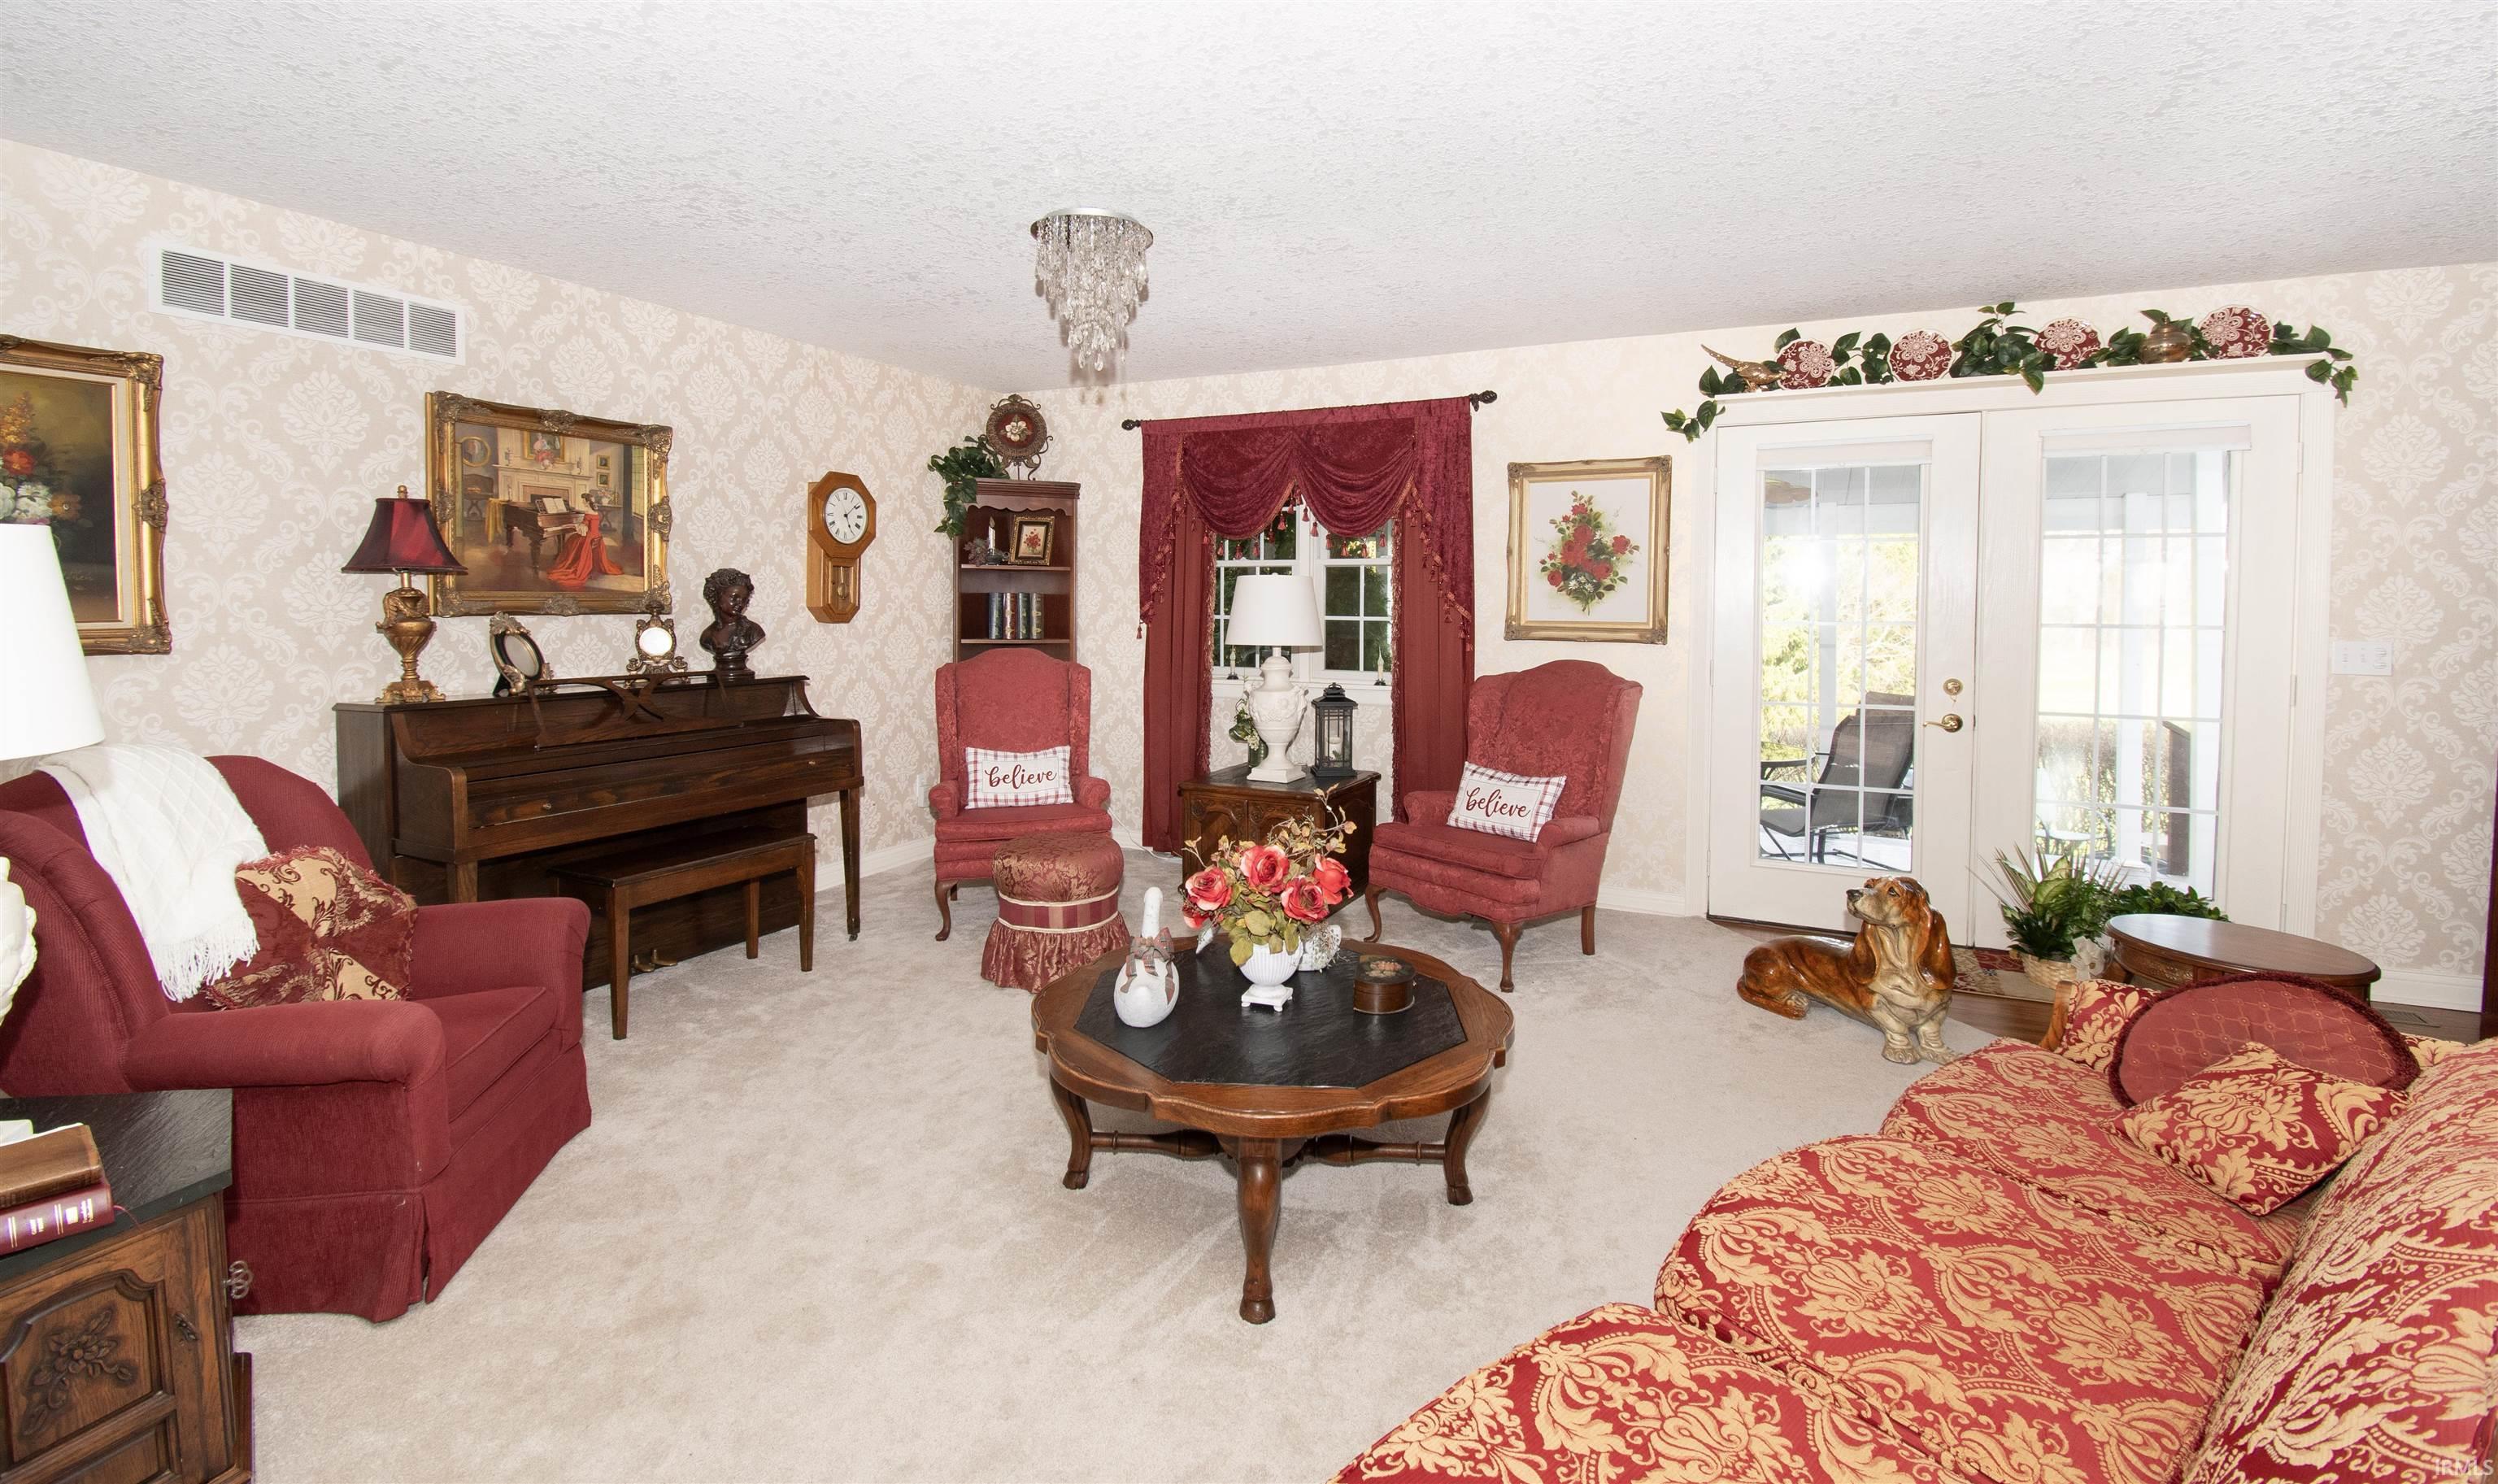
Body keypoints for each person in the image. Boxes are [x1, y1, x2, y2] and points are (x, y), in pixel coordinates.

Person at [700, 568, 766, 681]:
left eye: (744, 599)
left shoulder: (754, 631)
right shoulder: (707, 636)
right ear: (717, 597)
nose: (740, 604)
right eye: (734, 597)